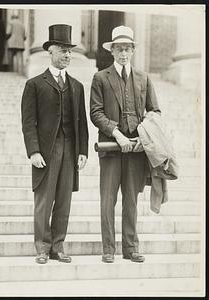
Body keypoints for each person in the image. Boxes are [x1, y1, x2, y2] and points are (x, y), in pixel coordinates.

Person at [90, 25, 160, 263]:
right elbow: (95, 113)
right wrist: (116, 134)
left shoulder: (144, 78)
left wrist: (145, 134)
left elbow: (154, 111)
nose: (123, 53)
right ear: (112, 51)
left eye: (127, 49)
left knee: (131, 199)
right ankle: (108, 249)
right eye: (119, 49)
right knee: (108, 200)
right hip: (110, 148)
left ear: (132, 51)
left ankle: (130, 248)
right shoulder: (100, 77)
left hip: (137, 150)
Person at [21, 24, 89, 264]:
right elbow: (28, 122)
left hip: (70, 150)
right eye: (62, 50)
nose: (68, 55)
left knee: (63, 200)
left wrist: (83, 151)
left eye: (70, 51)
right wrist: (33, 151)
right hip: (46, 152)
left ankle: (57, 247)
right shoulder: (35, 84)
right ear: (50, 51)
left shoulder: (77, 87)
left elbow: (81, 122)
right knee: (44, 200)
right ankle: (42, 247)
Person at [6, 10, 26, 75]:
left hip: (11, 43)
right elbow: (24, 36)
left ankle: (11, 73)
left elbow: (8, 33)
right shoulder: (22, 24)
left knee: (10, 59)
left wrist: (5, 38)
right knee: (19, 59)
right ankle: (20, 73)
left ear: (12, 16)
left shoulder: (10, 22)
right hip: (20, 44)